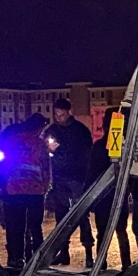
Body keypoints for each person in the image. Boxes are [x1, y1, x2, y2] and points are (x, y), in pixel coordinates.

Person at [87, 107, 138, 265]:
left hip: (106, 197)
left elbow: (92, 173)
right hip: (114, 197)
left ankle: (103, 265)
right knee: (119, 232)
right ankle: (121, 265)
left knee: (106, 233)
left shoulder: (103, 146)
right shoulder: (114, 147)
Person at [43, 97, 93, 265]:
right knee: (61, 217)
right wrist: (49, 149)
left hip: (78, 177)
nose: (58, 117)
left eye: (61, 114)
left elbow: (88, 153)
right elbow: (43, 149)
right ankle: (63, 253)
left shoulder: (80, 130)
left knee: (81, 214)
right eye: (56, 114)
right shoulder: (52, 130)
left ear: (69, 112)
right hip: (60, 178)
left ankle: (89, 254)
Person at [0, 113, 49, 269]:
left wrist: (3, 185)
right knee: (35, 226)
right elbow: (46, 168)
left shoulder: (11, 141)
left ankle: (18, 259)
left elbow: (4, 165)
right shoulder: (40, 144)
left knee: (17, 227)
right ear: (37, 128)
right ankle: (38, 260)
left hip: (14, 189)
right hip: (35, 191)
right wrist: (45, 188)